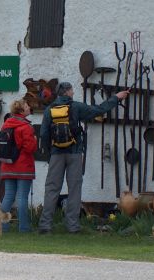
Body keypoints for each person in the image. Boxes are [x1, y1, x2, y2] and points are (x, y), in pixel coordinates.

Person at [38, 82, 129, 234]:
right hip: (74, 152)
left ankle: (45, 226)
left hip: (56, 154)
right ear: (67, 92)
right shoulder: (76, 107)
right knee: (74, 189)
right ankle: (72, 226)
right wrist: (116, 98)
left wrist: (50, 153)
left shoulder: (49, 110)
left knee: (52, 189)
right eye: (72, 90)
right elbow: (98, 110)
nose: (73, 93)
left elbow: (43, 135)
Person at [0, 100, 37, 232]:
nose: (29, 107)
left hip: (8, 165)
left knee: (8, 195)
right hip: (23, 166)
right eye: (27, 106)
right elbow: (30, 147)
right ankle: (24, 227)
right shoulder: (25, 127)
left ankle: (2, 226)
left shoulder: (6, 125)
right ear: (21, 111)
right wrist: (35, 140)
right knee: (22, 197)